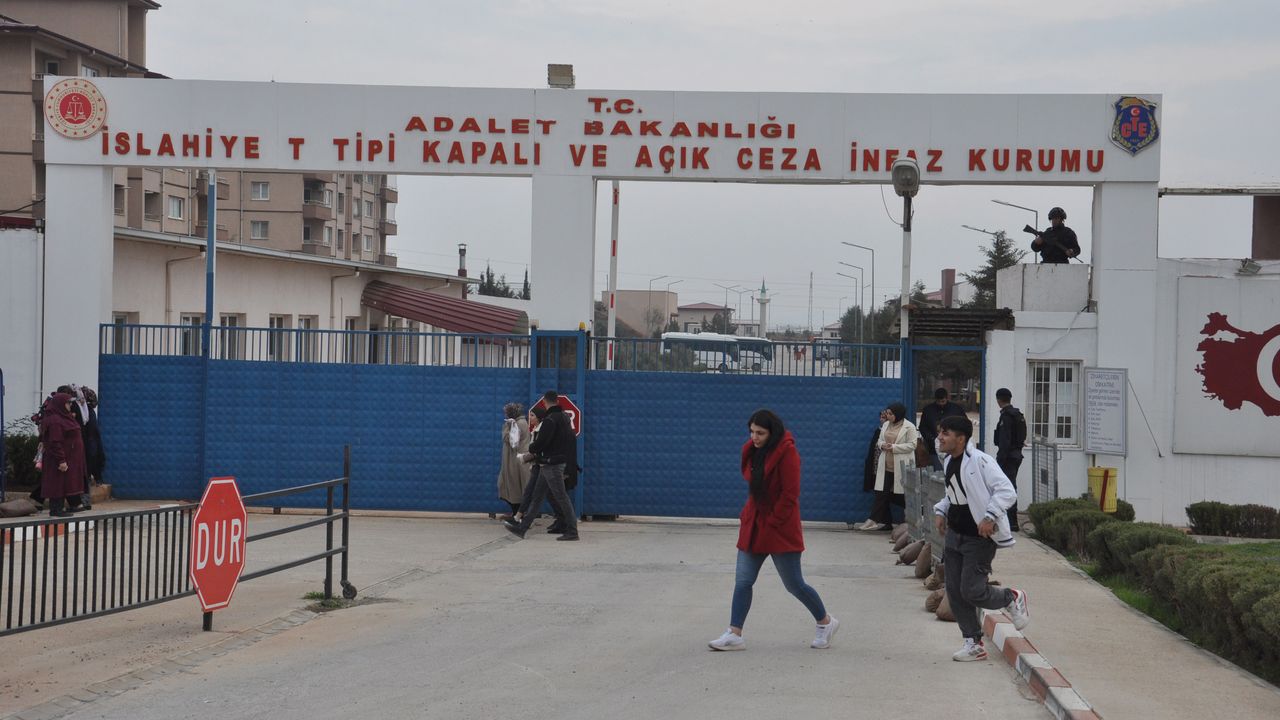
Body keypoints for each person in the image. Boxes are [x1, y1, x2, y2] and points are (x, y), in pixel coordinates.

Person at [708, 409, 838, 651]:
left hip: (780, 528)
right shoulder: (752, 451)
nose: (754, 437)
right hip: (754, 526)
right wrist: (749, 516)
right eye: (751, 432)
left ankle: (825, 622)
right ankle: (734, 633)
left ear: (772, 432)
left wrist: (773, 521)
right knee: (743, 581)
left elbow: (790, 494)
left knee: (794, 584)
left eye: (760, 433)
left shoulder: (788, 453)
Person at [932, 415, 1029, 662]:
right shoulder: (949, 461)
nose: (939, 438)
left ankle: (1012, 597)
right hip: (955, 535)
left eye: (945, 433)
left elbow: (1007, 491)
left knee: (972, 591)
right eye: (940, 432)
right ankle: (973, 643)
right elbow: (954, 493)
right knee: (955, 592)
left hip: (979, 538)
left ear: (961, 438)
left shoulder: (980, 461)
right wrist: (941, 510)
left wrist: (990, 516)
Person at [504, 391, 578, 541]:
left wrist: (531, 448)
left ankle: (572, 531)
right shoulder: (564, 417)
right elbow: (569, 440)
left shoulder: (550, 420)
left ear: (544, 402)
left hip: (551, 464)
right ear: (557, 401)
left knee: (561, 497)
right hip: (551, 463)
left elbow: (541, 443)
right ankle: (522, 528)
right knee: (537, 497)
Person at [855, 404, 918, 531]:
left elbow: (913, 445)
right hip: (886, 466)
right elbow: (880, 440)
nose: (887, 416)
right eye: (887, 413)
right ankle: (873, 520)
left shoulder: (909, 426)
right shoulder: (886, 425)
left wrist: (894, 447)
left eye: (890, 414)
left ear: (898, 414)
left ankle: (915, 517)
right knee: (881, 493)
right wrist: (882, 445)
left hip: (901, 466)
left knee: (903, 494)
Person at [38, 392, 86, 518]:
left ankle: (60, 508)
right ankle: (56, 509)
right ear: (60, 404)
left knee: (64, 483)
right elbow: (55, 442)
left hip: (70, 458)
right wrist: (61, 460)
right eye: (68, 403)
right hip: (59, 460)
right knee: (57, 483)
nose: (70, 405)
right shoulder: (55, 421)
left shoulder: (65, 417)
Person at [993, 388, 1027, 531]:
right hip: (1016, 455)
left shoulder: (1006, 416)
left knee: (1007, 488)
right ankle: (1010, 521)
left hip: (1008, 458)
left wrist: (999, 461)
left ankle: (1011, 522)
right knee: (1010, 487)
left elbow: (1004, 441)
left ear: (998, 400)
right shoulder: (1018, 415)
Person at [854, 408, 890, 529]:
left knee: (885, 495)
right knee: (881, 494)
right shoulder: (878, 431)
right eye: (881, 417)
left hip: (887, 468)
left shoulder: (890, 433)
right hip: (877, 467)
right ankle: (885, 521)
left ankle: (876, 520)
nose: (882, 420)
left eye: (885, 417)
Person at [496, 402, 531, 521]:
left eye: (506, 412)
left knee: (513, 488)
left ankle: (518, 515)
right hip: (515, 460)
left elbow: (509, 439)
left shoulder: (516, 424)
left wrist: (506, 427)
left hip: (515, 462)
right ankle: (516, 514)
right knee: (510, 487)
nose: (505, 415)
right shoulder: (519, 422)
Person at [919, 388, 966, 470]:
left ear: (947, 398)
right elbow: (923, 427)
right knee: (938, 472)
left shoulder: (956, 409)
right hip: (934, 448)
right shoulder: (928, 410)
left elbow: (964, 425)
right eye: (939, 401)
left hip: (953, 448)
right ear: (935, 400)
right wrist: (931, 439)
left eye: (943, 401)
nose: (941, 404)